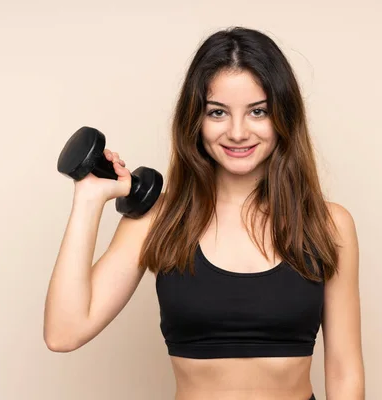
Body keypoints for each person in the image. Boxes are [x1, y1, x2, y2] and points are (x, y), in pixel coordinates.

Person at [44, 26, 365, 400]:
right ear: (195, 121)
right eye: (218, 113)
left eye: (257, 111)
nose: (238, 132)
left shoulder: (329, 225)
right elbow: (63, 333)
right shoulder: (157, 220)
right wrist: (88, 198)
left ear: (283, 118)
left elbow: (344, 372)